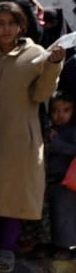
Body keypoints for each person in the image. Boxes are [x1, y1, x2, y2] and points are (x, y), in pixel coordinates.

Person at [0, 1, 64, 273]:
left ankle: (7, 249)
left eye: (11, 23)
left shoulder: (35, 54)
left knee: (13, 195)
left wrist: (54, 65)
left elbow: (41, 95)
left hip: (20, 138)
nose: (6, 29)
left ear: (21, 26)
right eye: (0, 23)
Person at [46, 92, 76, 259]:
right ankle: (52, 246)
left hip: (67, 183)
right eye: (56, 110)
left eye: (66, 110)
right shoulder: (49, 129)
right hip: (51, 181)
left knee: (66, 218)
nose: (60, 115)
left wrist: (56, 144)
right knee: (53, 217)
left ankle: (65, 247)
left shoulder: (72, 131)